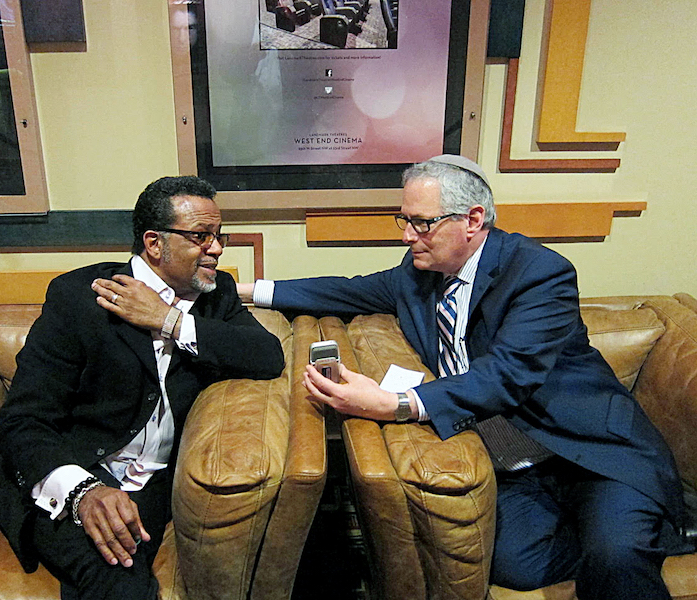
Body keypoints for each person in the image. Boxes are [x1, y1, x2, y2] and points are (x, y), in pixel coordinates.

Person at [237, 155, 685, 599]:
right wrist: (241, 290)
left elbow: (507, 374)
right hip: (512, 468)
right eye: (404, 221)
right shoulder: (419, 274)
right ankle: (645, 534)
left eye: (422, 223)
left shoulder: (538, 273)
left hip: (587, 455)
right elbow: (348, 288)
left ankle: (643, 530)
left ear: (472, 219)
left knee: (615, 556)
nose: (409, 235)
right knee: (518, 567)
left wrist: (395, 404)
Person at [0, 175, 285, 600]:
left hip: (154, 482)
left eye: (220, 236)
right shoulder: (81, 297)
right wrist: (83, 493)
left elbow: (267, 356)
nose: (217, 249)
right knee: (118, 579)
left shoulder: (214, 295)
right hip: (72, 472)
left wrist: (169, 320)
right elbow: (21, 421)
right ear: (154, 243)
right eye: (201, 237)